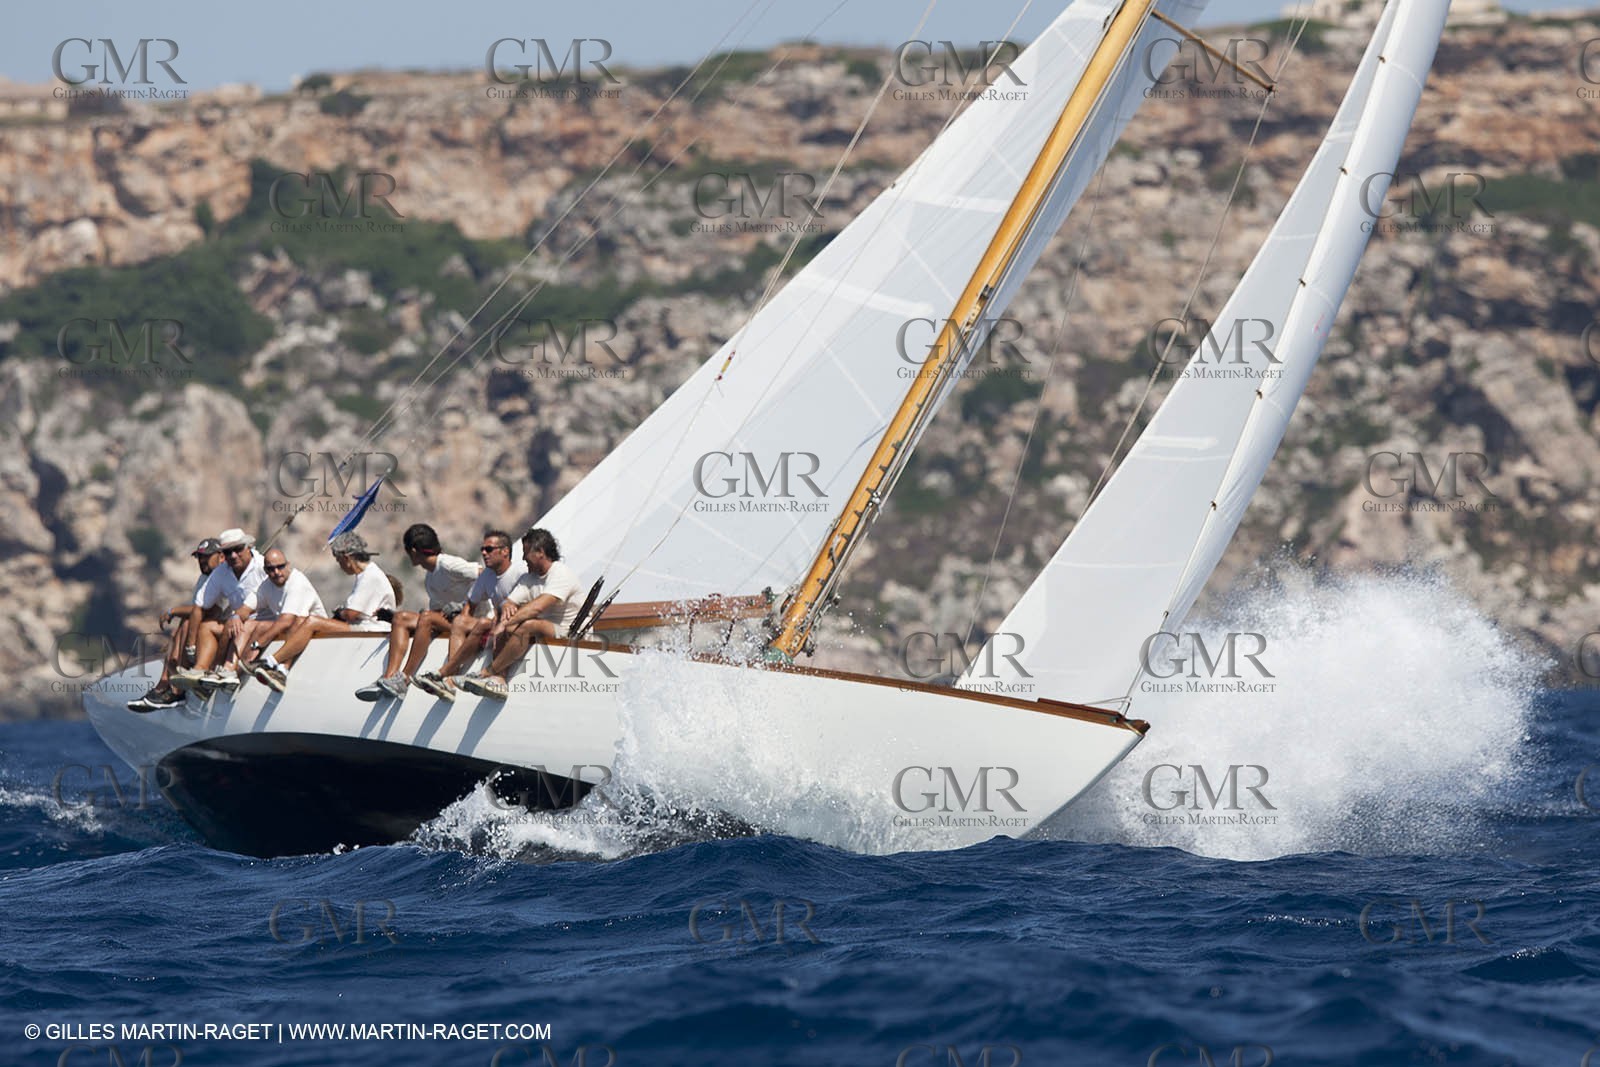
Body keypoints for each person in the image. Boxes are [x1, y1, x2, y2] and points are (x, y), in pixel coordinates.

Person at [253, 532, 394, 692]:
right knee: (300, 620)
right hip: (363, 625)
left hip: (370, 627)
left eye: (338, 560)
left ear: (346, 558)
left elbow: (352, 614)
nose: (339, 565)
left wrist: (342, 612)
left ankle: (270, 661)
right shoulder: (365, 575)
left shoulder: (370, 576)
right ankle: (283, 670)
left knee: (313, 621)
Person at [355, 524, 480, 701]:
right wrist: (391, 617)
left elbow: (484, 574)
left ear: (413, 551)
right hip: (452, 620)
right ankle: (389, 677)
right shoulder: (430, 577)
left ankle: (404, 679)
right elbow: (437, 611)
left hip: (474, 621)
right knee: (401, 617)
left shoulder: (447, 564)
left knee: (427, 618)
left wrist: (465, 605)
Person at [457, 528, 581, 701]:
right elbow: (510, 601)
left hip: (568, 631)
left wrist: (504, 624)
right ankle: (499, 680)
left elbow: (537, 608)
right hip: (547, 629)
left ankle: (488, 671)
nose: (523, 559)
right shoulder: (529, 577)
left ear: (540, 552)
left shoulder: (560, 573)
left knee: (526, 624)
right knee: (506, 618)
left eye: (526, 553)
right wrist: (506, 609)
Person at [412, 529, 526, 702]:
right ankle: (449, 682)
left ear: (505, 552)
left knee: (487, 623)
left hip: (512, 624)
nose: (483, 553)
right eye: (482, 549)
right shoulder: (487, 575)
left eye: (488, 549)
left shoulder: (519, 572)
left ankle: (490, 678)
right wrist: (459, 622)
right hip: (493, 622)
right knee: (460, 621)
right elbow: (469, 606)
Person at [128, 537, 223, 711]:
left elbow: (209, 611)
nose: (202, 561)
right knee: (181, 629)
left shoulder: (222, 576)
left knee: (187, 624)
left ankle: (172, 688)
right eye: (199, 557)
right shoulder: (204, 579)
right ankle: (165, 685)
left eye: (206, 557)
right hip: (209, 625)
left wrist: (174, 611)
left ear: (221, 556)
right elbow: (198, 610)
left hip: (222, 626)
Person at [173, 527, 266, 691]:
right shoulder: (222, 572)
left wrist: (171, 612)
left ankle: (225, 671)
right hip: (239, 623)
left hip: (265, 623)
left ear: (248, 547)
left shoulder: (263, 566)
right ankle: (200, 670)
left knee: (236, 625)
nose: (233, 555)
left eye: (238, 550)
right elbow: (200, 605)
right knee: (206, 626)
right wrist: (191, 646)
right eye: (228, 552)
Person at [238, 549, 328, 674]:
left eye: (280, 567)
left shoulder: (297, 582)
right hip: (292, 631)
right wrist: (235, 618)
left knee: (297, 621)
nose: (276, 572)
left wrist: (258, 644)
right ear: (265, 571)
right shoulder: (267, 585)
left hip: (318, 634)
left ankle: (281, 670)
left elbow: (287, 621)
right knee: (256, 625)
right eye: (271, 569)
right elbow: (245, 608)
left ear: (288, 565)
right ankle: (239, 669)